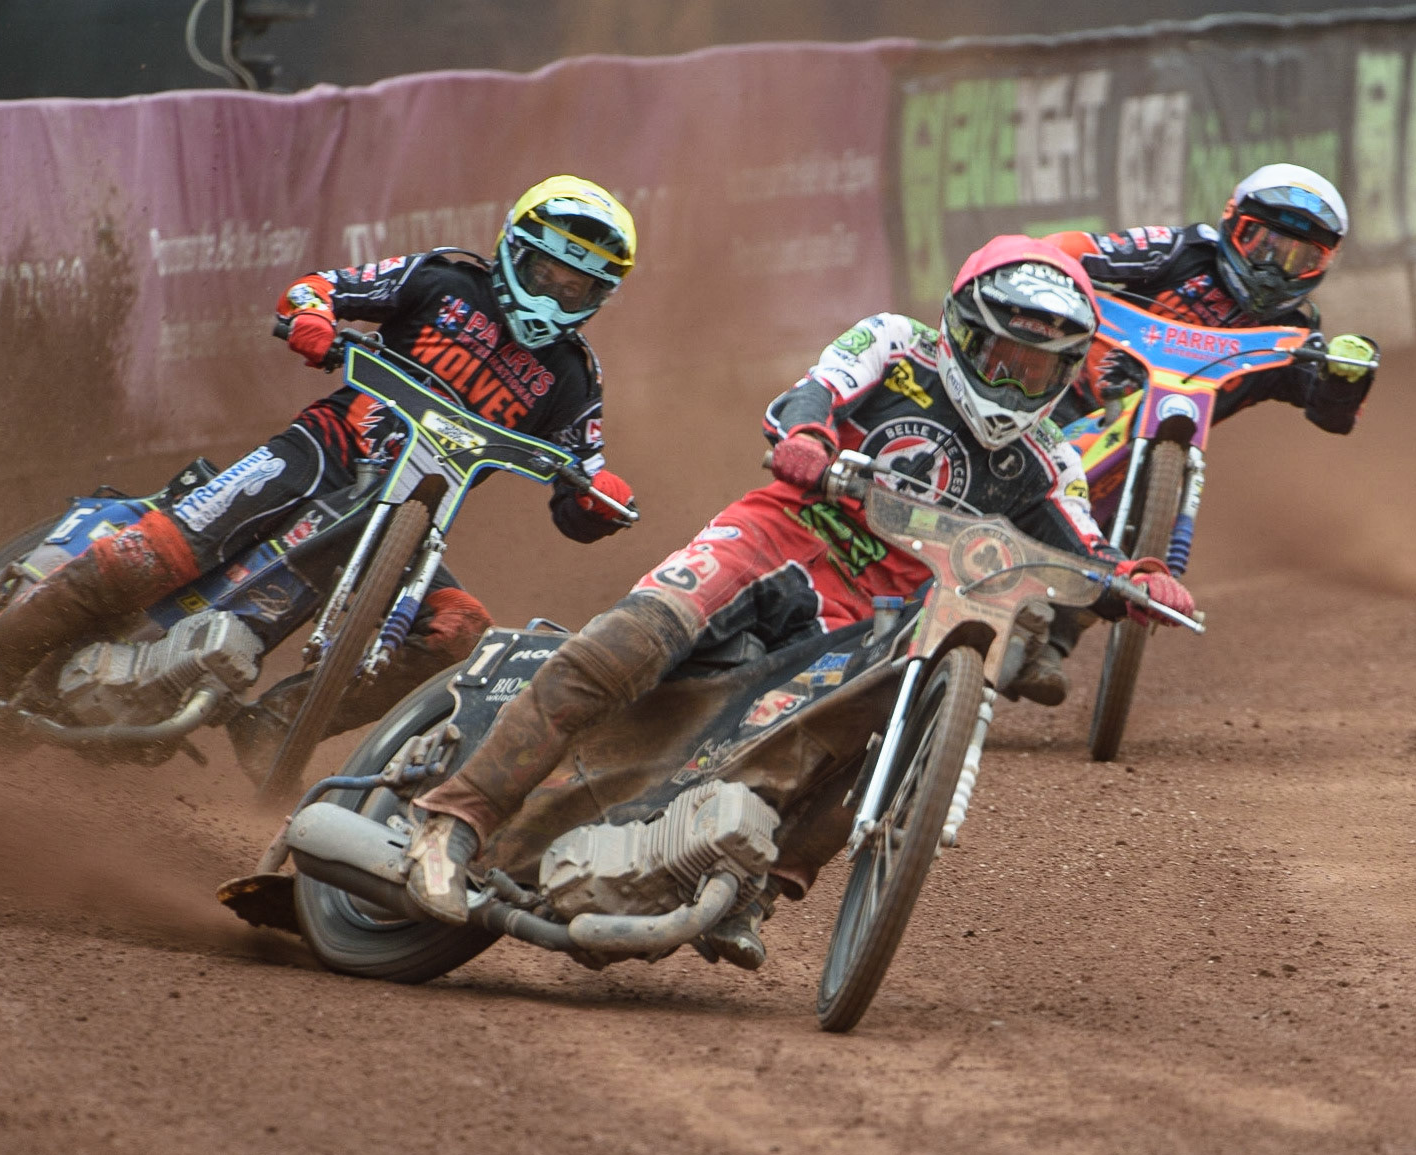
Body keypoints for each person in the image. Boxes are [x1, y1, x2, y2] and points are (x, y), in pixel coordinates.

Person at [398, 234, 1199, 969]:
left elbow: (1083, 549)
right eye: (1002, 356)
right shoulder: (896, 343)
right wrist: (811, 437)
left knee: (849, 735)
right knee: (626, 645)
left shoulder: (1047, 454)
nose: (1015, 380)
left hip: (870, 612)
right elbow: (814, 392)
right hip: (778, 533)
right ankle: (454, 819)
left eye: (1039, 370)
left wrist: (1135, 581)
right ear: (960, 328)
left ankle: (755, 883)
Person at [0, 175, 640, 782]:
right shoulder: (444, 282)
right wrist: (313, 319)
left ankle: (278, 722)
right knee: (161, 552)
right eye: (549, 271)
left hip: (403, 523)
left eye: (578, 284)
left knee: (462, 630)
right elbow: (320, 287)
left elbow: (581, 477)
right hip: (320, 453)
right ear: (517, 251)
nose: (557, 291)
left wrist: (599, 501)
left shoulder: (572, 377)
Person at [1001, 162, 1382, 706]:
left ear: (1323, 264)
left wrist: (1346, 376)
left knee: (1144, 515)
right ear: (1233, 225)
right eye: (1264, 244)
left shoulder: (1293, 334)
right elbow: (1077, 247)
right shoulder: (1179, 252)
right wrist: (1044, 262)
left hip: (1154, 453)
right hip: (1058, 404)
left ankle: (1051, 642)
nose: (1275, 268)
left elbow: (1330, 413)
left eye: (1299, 256)